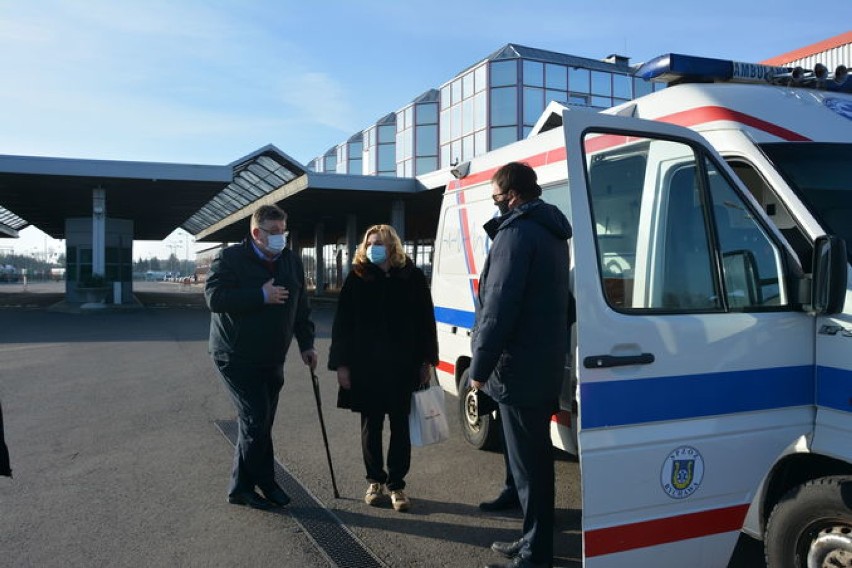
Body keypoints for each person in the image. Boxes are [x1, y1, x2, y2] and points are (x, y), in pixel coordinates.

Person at [470, 162, 572, 568]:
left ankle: (535, 552)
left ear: (511, 196)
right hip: (540, 362)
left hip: (518, 367)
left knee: (531, 468)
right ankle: (530, 539)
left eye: (496, 196)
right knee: (531, 462)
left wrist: (479, 367)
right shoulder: (551, 232)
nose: (495, 203)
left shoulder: (516, 233)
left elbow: (498, 308)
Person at [205, 204, 317, 511]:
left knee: (261, 423)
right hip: (236, 357)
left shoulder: (291, 262)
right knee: (255, 421)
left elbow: (301, 307)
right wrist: (260, 296)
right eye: (275, 232)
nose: (281, 238)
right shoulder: (230, 259)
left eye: (284, 231)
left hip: (271, 357)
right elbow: (214, 298)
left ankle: (252, 485)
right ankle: (254, 485)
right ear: (257, 233)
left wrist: (306, 344)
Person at [328, 224, 438, 512]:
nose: (372, 247)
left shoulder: (411, 277)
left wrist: (427, 360)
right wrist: (341, 364)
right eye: (369, 243)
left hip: (403, 366)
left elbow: (426, 322)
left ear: (392, 247)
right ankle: (375, 480)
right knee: (371, 425)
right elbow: (342, 326)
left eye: (379, 243)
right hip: (366, 367)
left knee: (401, 426)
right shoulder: (357, 278)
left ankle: (397, 484)